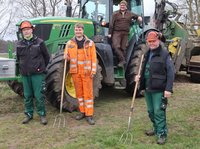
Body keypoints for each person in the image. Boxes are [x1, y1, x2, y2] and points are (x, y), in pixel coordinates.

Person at [135, 31, 175, 144]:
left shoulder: (164, 54)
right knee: (151, 111)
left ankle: (162, 133)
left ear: (158, 41)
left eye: (154, 41)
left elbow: (171, 72)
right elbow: (145, 69)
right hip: (148, 87)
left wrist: (168, 89)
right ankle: (155, 128)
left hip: (159, 89)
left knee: (159, 111)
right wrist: (139, 77)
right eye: (149, 41)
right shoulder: (147, 53)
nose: (151, 43)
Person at [16, 20, 50, 125]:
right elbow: (18, 59)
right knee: (27, 95)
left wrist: (41, 68)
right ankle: (28, 114)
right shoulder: (19, 44)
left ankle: (42, 115)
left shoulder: (40, 42)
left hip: (37, 74)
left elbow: (47, 57)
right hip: (25, 74)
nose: (26, 32)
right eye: (24, 30)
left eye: (28, 29)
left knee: (39, 95)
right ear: (22, 32)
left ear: (32, 30)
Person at [64, 23, 97, 125]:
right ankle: (82, 112)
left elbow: (93, 58)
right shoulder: (69, 43)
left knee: (88, 94)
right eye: (77, 30)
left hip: (87, 72)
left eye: (80, 30)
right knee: (79, 94)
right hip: (75, 72)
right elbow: (67, 56)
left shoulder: (90, 43)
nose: (78, 31)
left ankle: (89, 115)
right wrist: (66, 57)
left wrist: (93, 70)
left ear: (83, 31)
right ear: (74, 31)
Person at [108, 0, 142, 67]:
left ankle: (122, 64)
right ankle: (122, 60)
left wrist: (139, 18)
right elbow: (111, 24)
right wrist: (110, 33)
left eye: (123, 5)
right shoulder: (115, 14)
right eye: (121, 5)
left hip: (126, 33)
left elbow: (137, 16)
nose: (122, 6)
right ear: (119, 6)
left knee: (123, 48)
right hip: (117, 32)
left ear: (126, 6)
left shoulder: (130, 13)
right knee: (115, 46)